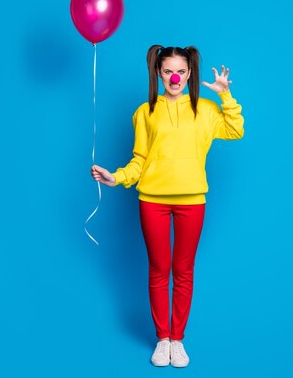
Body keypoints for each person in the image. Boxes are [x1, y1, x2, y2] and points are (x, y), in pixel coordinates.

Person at [90, 45, 244, 367]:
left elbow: (235, 130)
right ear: (158, 73)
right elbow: (140, 160)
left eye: (181, 71)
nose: (175, 77)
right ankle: (163, 339)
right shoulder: (145, 112)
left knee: (183, 271)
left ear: (189, 74)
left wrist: (226, 97)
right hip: (153, 200)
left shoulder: (206, 109)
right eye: (168, 71)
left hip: (192, 201)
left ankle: (178, 339)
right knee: (159, 270)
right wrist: (116, 178)